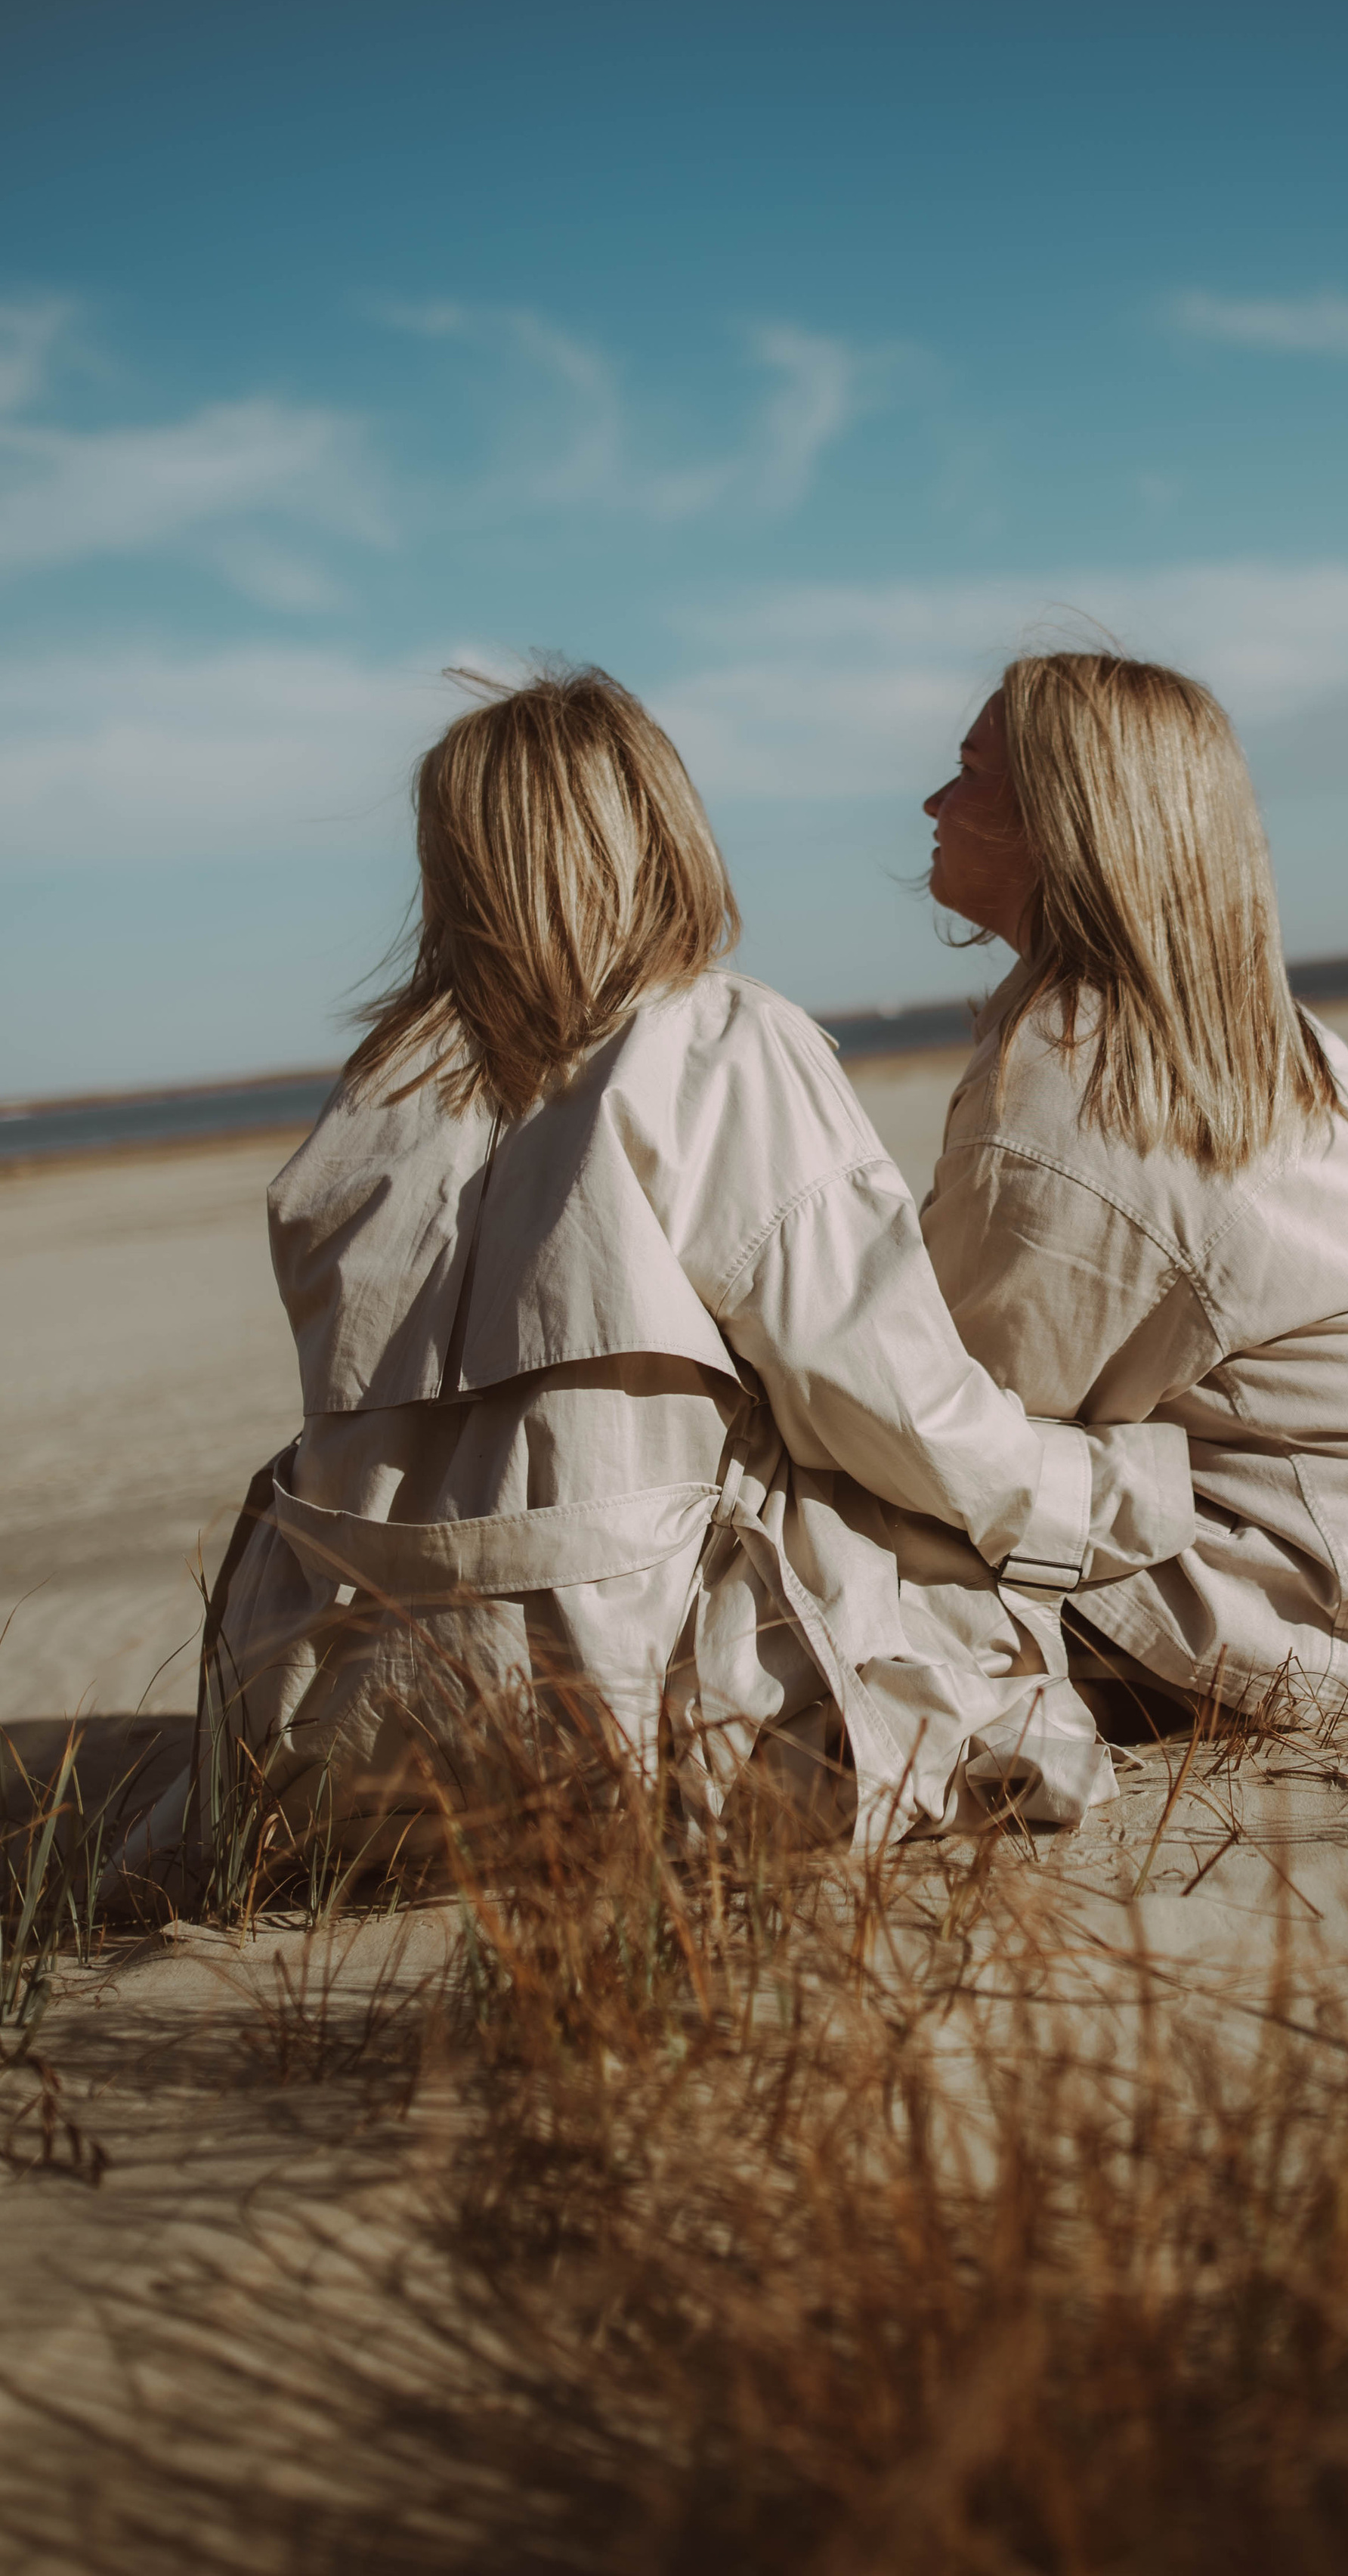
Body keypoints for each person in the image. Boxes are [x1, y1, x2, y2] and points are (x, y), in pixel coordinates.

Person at [116, 666, 1194, 1894]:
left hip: (351, 1722)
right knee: (919, 1534)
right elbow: (887, 1403)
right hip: (626, 1703)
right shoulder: (717, 1040)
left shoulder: (372, 1097)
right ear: (655, 827)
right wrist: (1104, 1490)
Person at [917, 649, 1348, 1718]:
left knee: (839, 1551)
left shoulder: (1069, 1093)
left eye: (970, 770)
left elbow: (953, 1419)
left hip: (1309, 1606)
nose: (933, 799)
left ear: (1054, 822)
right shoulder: (1271, 1043)